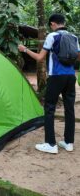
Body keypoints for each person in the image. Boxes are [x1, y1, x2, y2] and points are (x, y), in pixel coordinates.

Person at [18, 13, 80, 154]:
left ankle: (51, 144)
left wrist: (25, 50)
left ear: (53, 23)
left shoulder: (52, 36)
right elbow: (78, 56)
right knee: (69, 108)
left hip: (56, 76)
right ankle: (68, 142)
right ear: (63, 22)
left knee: (49, 108)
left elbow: (40, 58)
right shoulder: (74, 37)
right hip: (71, 76)